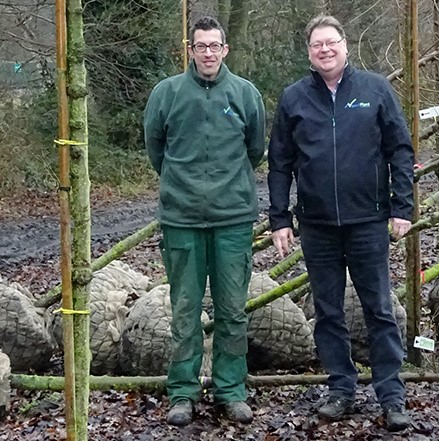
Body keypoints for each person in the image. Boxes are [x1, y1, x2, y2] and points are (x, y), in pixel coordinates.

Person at [266, 14, 414, 432]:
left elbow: (399, 149)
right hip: (317, 226)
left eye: (331, 43)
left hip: (368, 220)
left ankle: (391, 394)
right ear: (309, 52)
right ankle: (341, 389)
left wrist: (402, 206)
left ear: (345, 46)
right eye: (317, 45)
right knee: (328, 311)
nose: (325, 50)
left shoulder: (374, 90)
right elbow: (279, 164)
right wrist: (280, 219)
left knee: (380, 309)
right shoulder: (294, 98)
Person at [142, 15, 265, 427]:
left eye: (215, 46)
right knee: (184, 310)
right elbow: (155, 147)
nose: (208, 53)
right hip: (182, 220)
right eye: (201, 46)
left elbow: (255, 150)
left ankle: (231, 390)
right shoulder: (167, 93)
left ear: (225, 49)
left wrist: (226, 188)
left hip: (233, 219)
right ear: (190, 49)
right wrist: (183, 185)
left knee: (232, 310)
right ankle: (183, 391)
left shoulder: (245, 94)